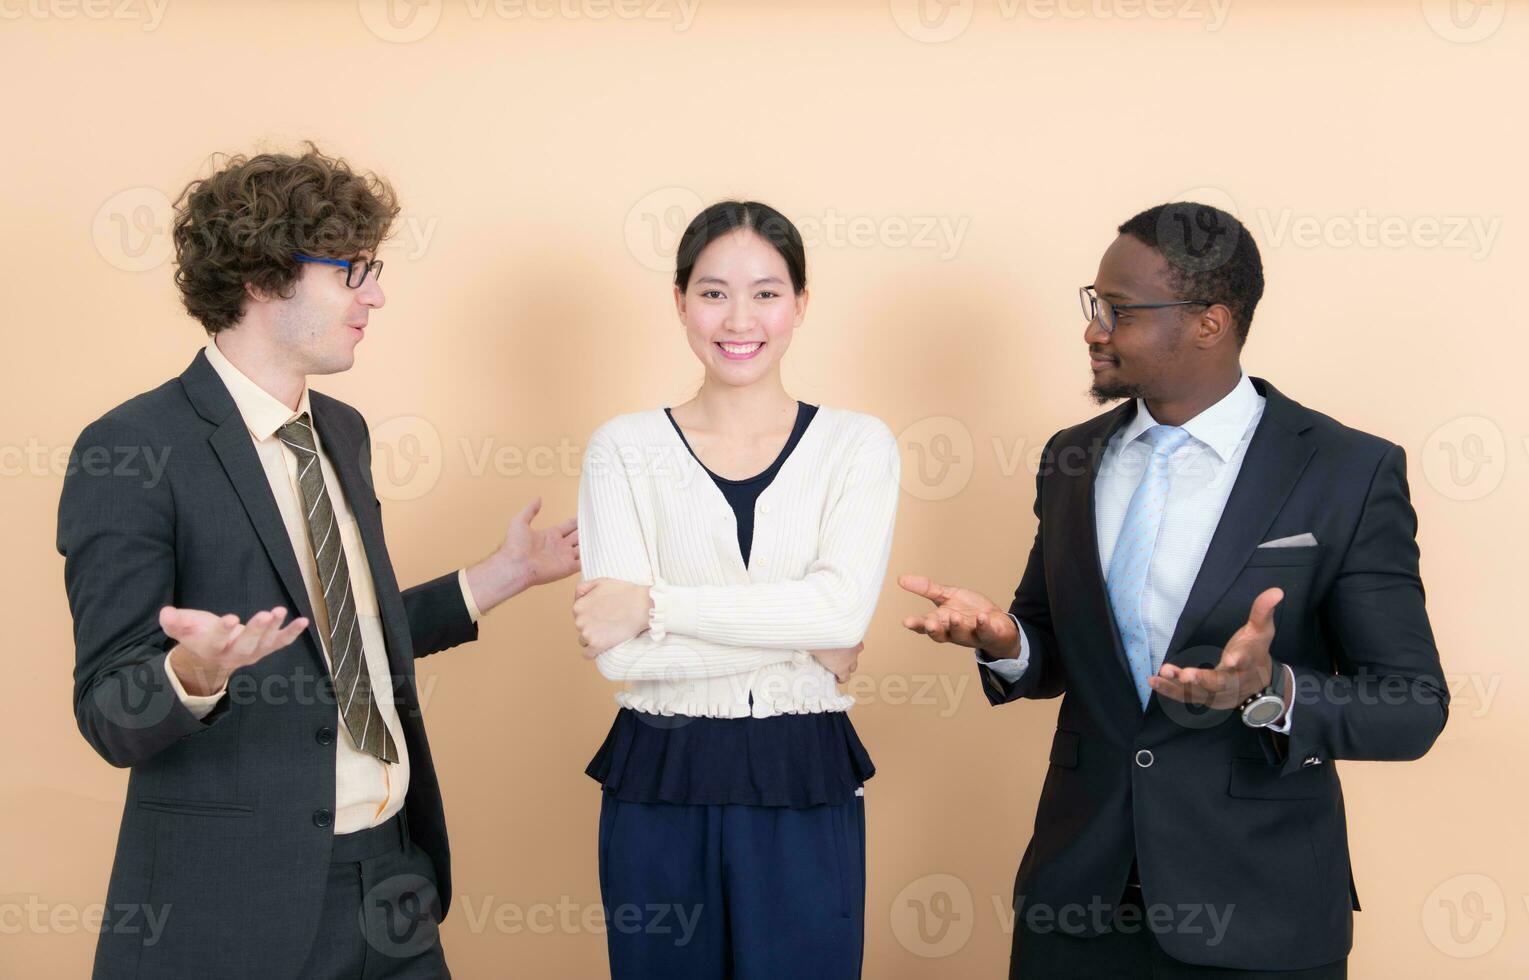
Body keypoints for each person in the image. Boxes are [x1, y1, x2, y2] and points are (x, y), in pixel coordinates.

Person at [57, 144, 580, 978]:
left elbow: (341, 635)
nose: (375, 294)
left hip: (394, 878)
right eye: (352, 270)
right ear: (264, 278)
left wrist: (499, 578)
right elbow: (107, 711)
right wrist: (193, 673)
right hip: (237, 903)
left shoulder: (341, 432)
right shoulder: (132, 447)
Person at [900, 202, 1447, 978]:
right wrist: (1009, 643)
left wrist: (1269, 691)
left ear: (1208, 323)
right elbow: (1054, 646)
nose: (1093, 330)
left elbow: (1413, 707)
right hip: (1075, 907)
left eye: (1118, 311)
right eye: (1093, 306)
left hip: (1258, 912)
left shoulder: (1344, 472)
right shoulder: (1072, 459)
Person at [572, 200, 900, 979]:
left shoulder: (857, 446)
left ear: (800, 305)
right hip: (659, 774)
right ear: (680, 301)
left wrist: (655, 607)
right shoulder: (623, 448)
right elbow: (618, 661)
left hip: (802, 773)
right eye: (713, 292)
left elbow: (842, 611)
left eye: (765, 292)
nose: (738, 318)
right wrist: (805, 636)